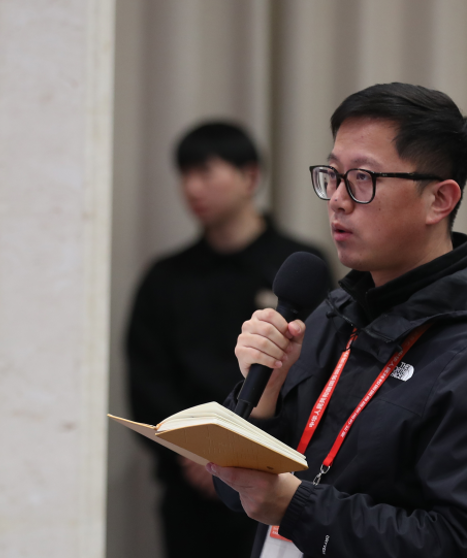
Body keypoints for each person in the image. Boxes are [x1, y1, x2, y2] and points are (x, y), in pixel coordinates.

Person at [208, 84, 467, 558]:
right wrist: (264, 400)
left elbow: (466, 545)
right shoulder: (332, 314)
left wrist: (296, 506)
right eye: (333, 175)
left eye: (362, 179)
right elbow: (234, 492)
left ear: (439, 199)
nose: (337, 200)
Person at [126, 121, 332, 558]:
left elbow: (321, 368)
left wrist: (249, 455)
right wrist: (197, 454)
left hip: (277, 479)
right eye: (185, 174)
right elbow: (147, 379)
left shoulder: (296, 270)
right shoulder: (166, 277)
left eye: (205, 172)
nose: (191, 187)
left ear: (250, 176)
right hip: (189, 489)